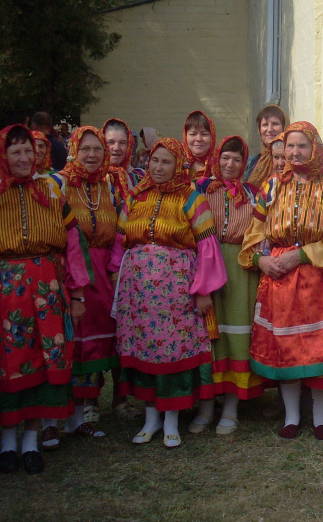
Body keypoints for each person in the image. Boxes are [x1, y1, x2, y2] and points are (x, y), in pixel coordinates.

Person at [239, 122, 323, 440]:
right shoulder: (270, 189)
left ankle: (321, 417)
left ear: (315, 149)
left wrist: (303, 255)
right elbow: (253, 235)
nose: (295, 153)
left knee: (320, 347)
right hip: (280, 279)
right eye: (290, 147)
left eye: (301, 146)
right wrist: (260, 260)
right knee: (286, 347)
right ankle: (292, 416)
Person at [0, 125, 91, 474]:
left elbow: (72, 244)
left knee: (45, 362)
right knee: (9, 363)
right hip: (4, 293)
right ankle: (7, 442)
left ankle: (31, 441)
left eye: (29, 151)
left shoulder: (53, 189)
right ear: (2, 156)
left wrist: (77, 292)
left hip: (48, 289)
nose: (24, 158)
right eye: (16, 152)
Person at [110, 137, 227, 448]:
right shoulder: (135, 197)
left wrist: (202, 290)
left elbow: (208, 248)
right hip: (139, 293)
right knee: (145, 350)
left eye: (166, 162)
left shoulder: (192, 199)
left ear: (178, 166)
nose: (159, 167)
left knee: (173, 351)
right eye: (154, 161)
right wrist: (115, 281)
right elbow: (119, 242)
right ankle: (151, 419)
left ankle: (172, 420)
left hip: (177, 291)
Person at [191, 136, 266, 436]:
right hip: (206, 264)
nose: (229, 164)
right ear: (217, 159)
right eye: (225, 158)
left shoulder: (253, 194)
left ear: (244, 162)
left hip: (240, 267)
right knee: (210, 336)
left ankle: (232, 406)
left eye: (236, 159)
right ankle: (208, 405)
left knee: (235, 335)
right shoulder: (200, 190)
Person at [59, 126, 120, 439]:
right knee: (74, 338)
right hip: (74, 270)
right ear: (74, 150)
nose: (93, 155)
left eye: (98, 149)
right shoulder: (61, 184)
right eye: (86, 149)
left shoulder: (110, 183)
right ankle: (66, 410)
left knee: (97, 338)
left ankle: (90, 402)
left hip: (103, 270)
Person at [245, 104, 288, 186]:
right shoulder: (251, 163)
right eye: (265, 125)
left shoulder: (293, 161)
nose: (270, 129)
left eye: (275, 124)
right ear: (259, 129)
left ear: (284, 127)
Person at [102, 118, 144, 200]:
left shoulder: (139, 178)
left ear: (129, 146)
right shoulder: (93, 178)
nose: (117, 148)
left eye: (122, 143)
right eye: (110, 142)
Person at [183, 111, 217, 182]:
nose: (198, 139)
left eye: (204, 134)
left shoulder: (220, 164)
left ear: (212, 137)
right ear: (185, 137)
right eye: (193, 134)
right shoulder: (177, 162)